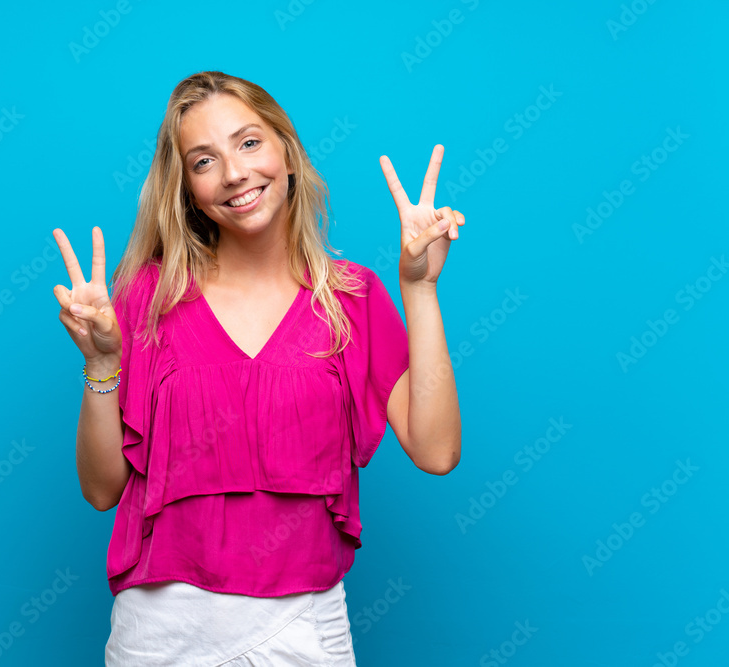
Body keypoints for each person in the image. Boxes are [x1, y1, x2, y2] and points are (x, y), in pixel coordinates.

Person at [52, 71, 463, 666]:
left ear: (287, 153)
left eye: (248, 143)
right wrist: (101, 364)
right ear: (187, 189)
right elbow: (100, 491)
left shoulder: (351, 298)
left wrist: (419, 289)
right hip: (161, 635)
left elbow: (437, 451)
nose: (234, 173)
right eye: (204, 161)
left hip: (303, 630)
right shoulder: (148, 297)